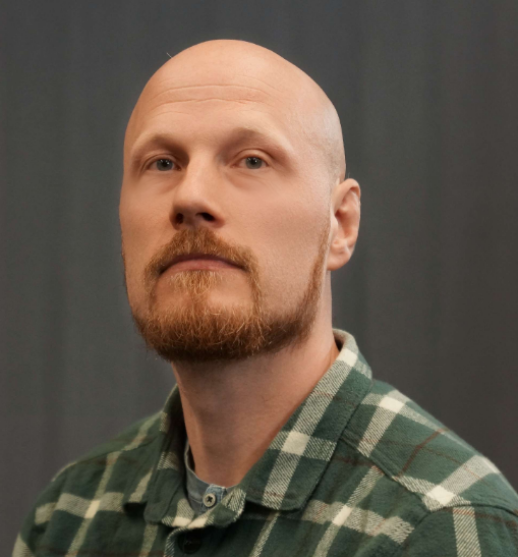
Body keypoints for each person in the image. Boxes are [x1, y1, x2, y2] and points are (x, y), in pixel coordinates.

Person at [13, 39, 518, 557]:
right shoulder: (68, 520)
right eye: (163, 163)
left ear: (340, 224)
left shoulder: (443, 527)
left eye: (251, 161)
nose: (191, 196)